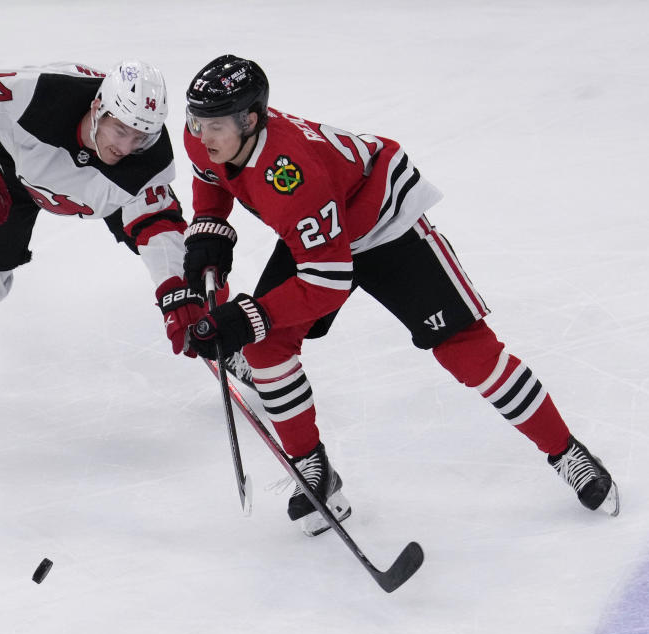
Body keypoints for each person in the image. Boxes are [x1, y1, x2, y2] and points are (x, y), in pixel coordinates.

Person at [180, 54, 620, 536]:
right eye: (196, 121)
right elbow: (210, 177)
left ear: (251, 118)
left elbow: (326, 282)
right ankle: (315, 471)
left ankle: (567, 451)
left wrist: (246, 317)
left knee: (467, 352)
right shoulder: (206, 137)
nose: (201, 135)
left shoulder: (292, 173)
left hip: (384, 223)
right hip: (323, 230)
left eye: (214, 125)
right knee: (266, 347)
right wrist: (209, 230)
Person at [0, 59, 209, 363]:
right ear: (97, 107)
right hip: (13, 168)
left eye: (140, 137)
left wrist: (178, 292)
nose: (125, 148)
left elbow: (158, 225)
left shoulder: (147, 157)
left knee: (195, 267)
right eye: (120, 130)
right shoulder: (42, 92)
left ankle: (227, 339)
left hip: (96, 187)